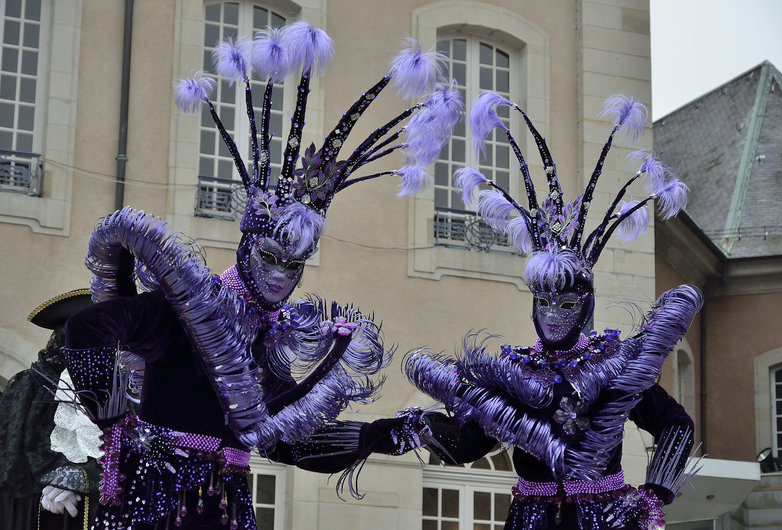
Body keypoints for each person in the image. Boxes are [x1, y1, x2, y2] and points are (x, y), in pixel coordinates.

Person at [59, 21, 459, 529]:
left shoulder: (269, 339)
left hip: (226, 503)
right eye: (270, 257)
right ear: (248, 247)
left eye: (293, 265)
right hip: (157, 496)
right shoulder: (183, 310)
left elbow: (286, 437)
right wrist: (116, 420)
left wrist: (388, 434)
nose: (280, 276)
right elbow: (86, 329)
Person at [402, 92, 703, 529]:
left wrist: (652, 494)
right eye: (544, 302)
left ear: (585, 306)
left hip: (602, 518)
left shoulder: (612, 366)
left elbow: (675, 422)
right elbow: (467, 445)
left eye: (567, 303)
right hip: (530, 518)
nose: (554, 314)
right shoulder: (515, 373)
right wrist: (407, 429)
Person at [0, 289, 101, 530]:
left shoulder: (122, 392)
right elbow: (13, 460)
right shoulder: (27, 385)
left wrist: (85, 476)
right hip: (29, 509)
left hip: (95, 509)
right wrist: (56, 480)